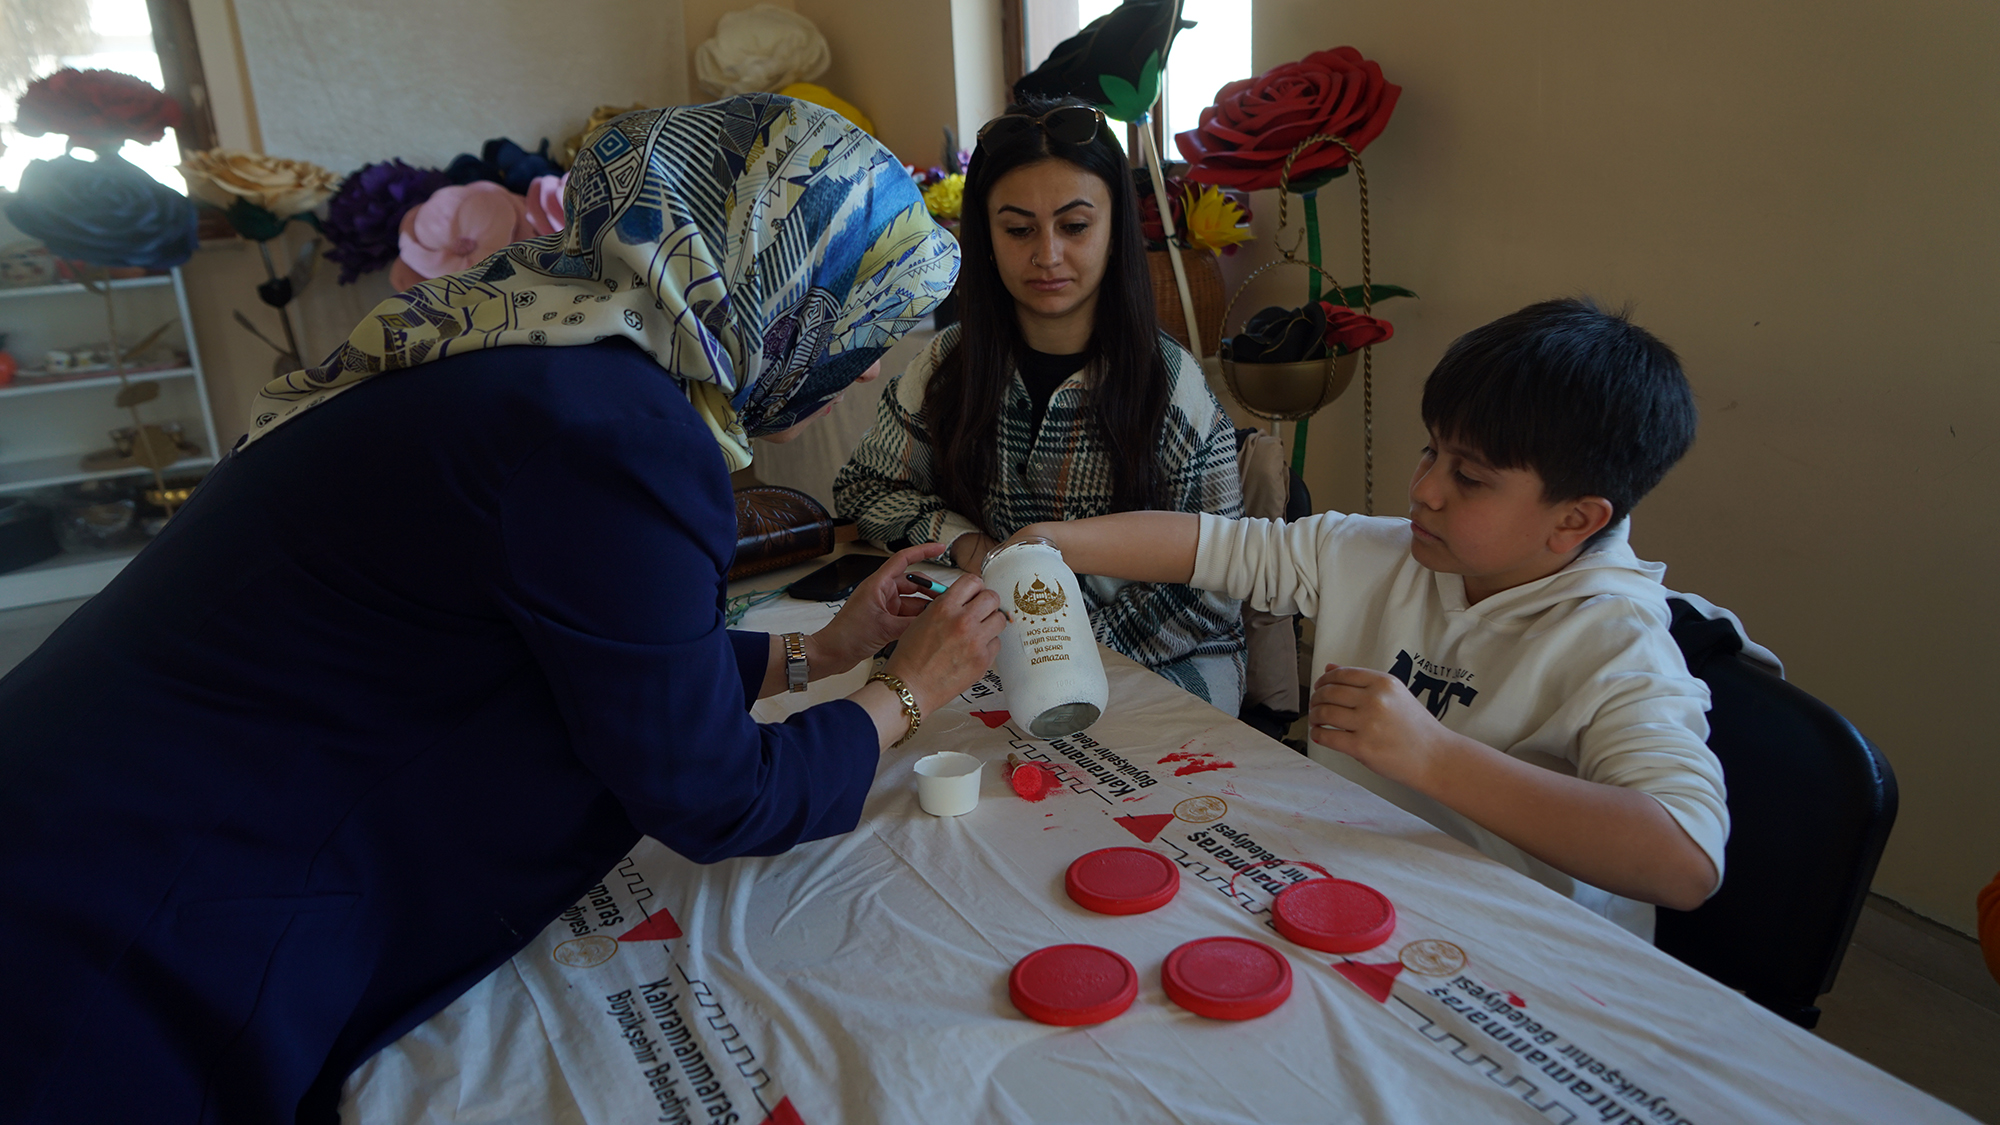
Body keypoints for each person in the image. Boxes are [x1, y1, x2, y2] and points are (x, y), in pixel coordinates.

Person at [0, 95, 1007, 1124]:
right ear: (784, 287)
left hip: (77, 809)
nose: (869, 364)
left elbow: (590, 659)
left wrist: (824, 652)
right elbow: (712, 795)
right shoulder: (618, 435)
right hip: (123, 920)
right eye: (863, 323)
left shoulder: (530, 336)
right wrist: (906, 693)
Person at [996, 299, 1730, 937]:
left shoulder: (1618, 644)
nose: (1425, 489)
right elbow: (1213, 546)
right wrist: (1052, 542)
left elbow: (1686, 862)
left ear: (1575, 519)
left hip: (1512, 944)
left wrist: (1432, 757)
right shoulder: (1382, 553)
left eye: (1470, 477)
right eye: (1431, 451)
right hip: (1350, 893)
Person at [833, 96, 1247, 707]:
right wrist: (968, 545)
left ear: (1114, 231)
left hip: (1165, 656)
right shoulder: (947, 366)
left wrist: (1066, 647)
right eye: (1019, 229)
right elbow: (864, 490)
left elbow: (1218, 583)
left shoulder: (1171, 386)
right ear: (986, 235)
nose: (1047, 254)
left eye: (1074, 227)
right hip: (992, 642)